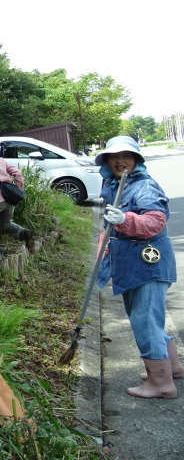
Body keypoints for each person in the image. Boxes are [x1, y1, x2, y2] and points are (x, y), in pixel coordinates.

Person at [95, 136, 180, 399]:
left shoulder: (144, 186)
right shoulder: (112, 184)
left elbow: (156, 222)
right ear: (107, 161)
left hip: (147, 263)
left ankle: (161, 384)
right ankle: (173, 368)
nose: (121, 161)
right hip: (130, 263)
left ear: (137, 160)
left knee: (145, 322)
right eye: (114, 156)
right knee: (147, 319)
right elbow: (110, 226)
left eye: (127, 156)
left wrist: (125, 218)